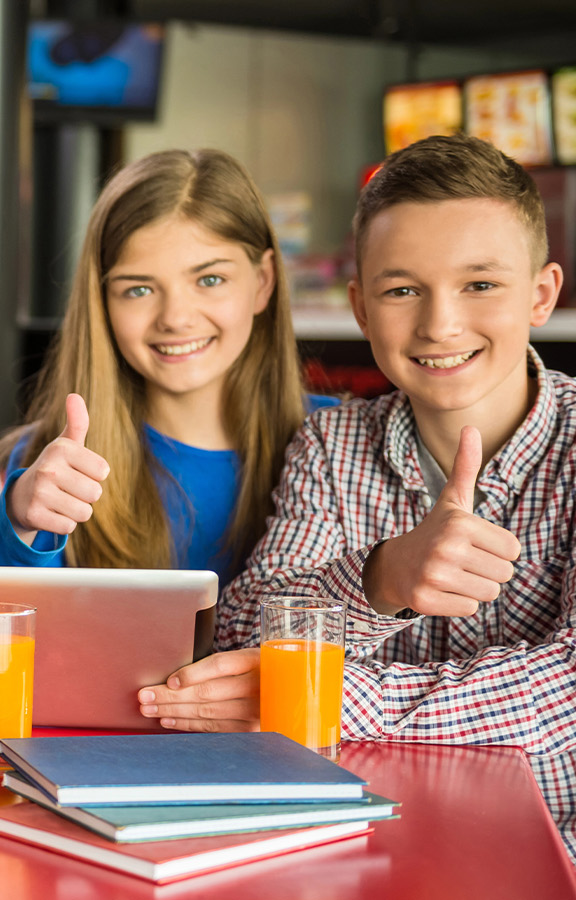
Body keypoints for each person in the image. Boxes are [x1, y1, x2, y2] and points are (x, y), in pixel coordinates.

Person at [168, 133, 576, 854]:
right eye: (402, 289)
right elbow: (240, 638)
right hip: (346, 842)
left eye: (479, 284)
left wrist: (327, 696)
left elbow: (567, 703)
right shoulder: (333, 445)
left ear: (542, 294)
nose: (440, 323)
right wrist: (383, 575)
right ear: (360, 308)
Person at [0, 149, 334, 592]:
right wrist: (20, 527)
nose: (175, 317)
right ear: (103, 304)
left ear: (263, 282)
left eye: (210, 280)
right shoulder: (50, 467)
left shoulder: (337, 445)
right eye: (138, 289)